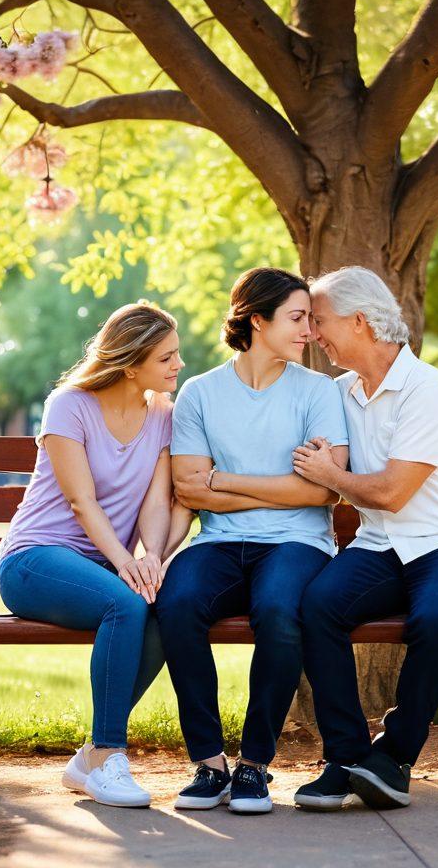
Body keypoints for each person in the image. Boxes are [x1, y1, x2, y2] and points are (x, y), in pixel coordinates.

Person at [290, 266, 438, 812]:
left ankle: (394, 757)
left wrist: (329, 475)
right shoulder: (337, 393)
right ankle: (345, 760)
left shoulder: (429, 390)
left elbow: (391, 492)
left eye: (319, 320)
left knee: (435, 619)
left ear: (360, 322)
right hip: (381, 547)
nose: (313, 333)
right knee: (317, 606)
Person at [155, 267, 349, 815]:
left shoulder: (318, 392)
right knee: (177, 604)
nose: (309, 329)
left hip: (298, 544)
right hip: (218, 543)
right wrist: (285, 487)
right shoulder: (200, 393)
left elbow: (322, 495)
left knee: (280, 612)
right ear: (257, 320)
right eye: (296, 318)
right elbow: (190, 489)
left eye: (312, 318)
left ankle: (255, 765)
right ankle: (210, 763)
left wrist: (226, 479)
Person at [0, 302, 185, 809]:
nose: (178, 365)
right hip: (34, 560)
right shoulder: (69, 404)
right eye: (166, 357)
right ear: (130, 362)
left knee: (166, 609)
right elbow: (81, 502)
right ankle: (108, 757)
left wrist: (151, 558)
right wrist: (127, 564)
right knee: (124, 604)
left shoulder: (162, 415)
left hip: (104, 565)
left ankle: (91, 758)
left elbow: (155, 501)